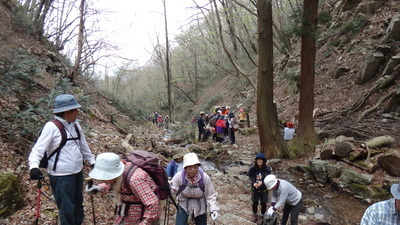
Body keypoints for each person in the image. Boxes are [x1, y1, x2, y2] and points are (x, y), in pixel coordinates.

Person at [28, 94, 96, 225]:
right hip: (61, 176)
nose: (77, 112)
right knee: (66, 208)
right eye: (75, 109)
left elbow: (83, 146)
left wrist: (92, 161)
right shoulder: (51, 127)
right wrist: (34, 167)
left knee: (78, 205)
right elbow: (37, 150)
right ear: (66, 112)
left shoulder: (76, 125)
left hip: (77, 172)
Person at [86, 152, 161, 225]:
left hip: (141, 217)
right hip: (125, 214)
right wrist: (99, 188)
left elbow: (153, 204)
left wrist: (145, 223)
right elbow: (116, 184)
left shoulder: (135, 180)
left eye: (104, 177)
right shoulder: (120, 174)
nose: (102, 179)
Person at [171, 153, 219, 225]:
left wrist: (213, 209)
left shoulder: (204, 178)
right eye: (190, 167)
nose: (193, 169)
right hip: (183, 202)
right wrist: (167, 189)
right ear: (185, 167)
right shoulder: (178, 177)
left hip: (200, 203)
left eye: (195, 166)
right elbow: (173, 190)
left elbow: (210, 195)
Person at [248, 153, 272, 222]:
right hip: (255, 188)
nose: (259, 161)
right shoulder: (253, 168)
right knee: (255, 202)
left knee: (263, 203)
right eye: (258, 160)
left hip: (264, 189)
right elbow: (250, 175)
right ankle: (255, 214)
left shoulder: (267, 169)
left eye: (261, 160)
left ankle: (262, 215)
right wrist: (254, 182)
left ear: (263, 161)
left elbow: (269, 178)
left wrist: (263, 182)